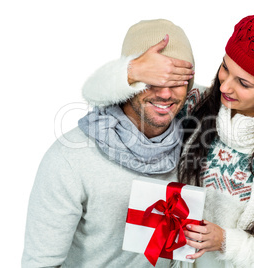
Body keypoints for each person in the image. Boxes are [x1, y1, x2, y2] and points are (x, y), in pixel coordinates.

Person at [81, 13, 254, 267]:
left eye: (243, 83)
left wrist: (228, 242)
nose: (225, 87)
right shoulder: (198, 107)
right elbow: (100, 98)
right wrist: (132, 70)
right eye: (225, 68)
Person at [22, 19, 200, 268]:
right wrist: (126, 71)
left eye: (175, 79)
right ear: (127, 81)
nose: (165, 93)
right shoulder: (70, 158)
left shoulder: (194, 141)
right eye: (152, 79)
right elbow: (40, 264)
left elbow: (247, 91)